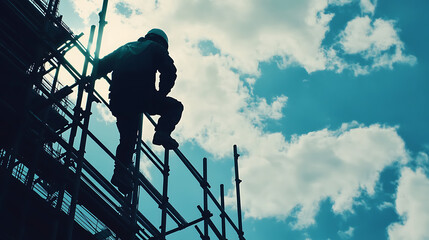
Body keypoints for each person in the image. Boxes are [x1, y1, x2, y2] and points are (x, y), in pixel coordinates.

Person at [94, 28, 183, 194]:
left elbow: (100, 66)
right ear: (162, 42)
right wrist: (160, 94)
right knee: (175, 106)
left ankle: (120, 173)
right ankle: (162, 132)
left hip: (119, 99)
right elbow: (169, 72)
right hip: (142, 95)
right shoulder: (156, 48)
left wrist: (88, 80)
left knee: (128, 139)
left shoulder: (125, 47)